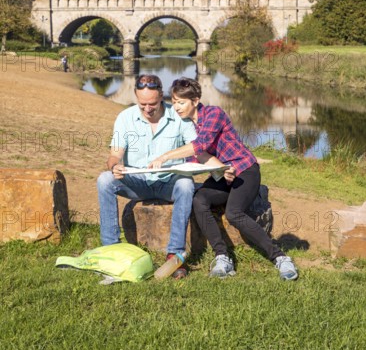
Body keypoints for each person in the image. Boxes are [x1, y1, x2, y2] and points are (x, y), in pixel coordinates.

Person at [149, 77, 298, 281]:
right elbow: (199, 157)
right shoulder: (188, 125)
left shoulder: (213, 114)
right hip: (223, 174)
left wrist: (165, 156)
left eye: (181, 102)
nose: (176, 107)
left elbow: (200, 146)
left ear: (195, 100)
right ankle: (222, 257)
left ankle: (280, 258)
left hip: (245, 170)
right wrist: (220, 169)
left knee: (233, 213)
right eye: (174, 101)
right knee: (199, 200)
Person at [97, 74, 197, 279]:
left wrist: (170, 157)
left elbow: (196, 146)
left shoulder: (178, 114)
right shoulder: (125, 118)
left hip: (169, 181)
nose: (147, 108)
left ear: (162, 96)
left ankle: (175, 254)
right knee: (105, 180)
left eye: (152, 103)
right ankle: (110, 250)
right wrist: (115, 165)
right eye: (142, 104)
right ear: (135, 96)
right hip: (138, 182)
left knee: (186, 184)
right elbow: (114, 154)